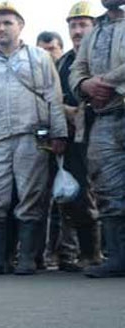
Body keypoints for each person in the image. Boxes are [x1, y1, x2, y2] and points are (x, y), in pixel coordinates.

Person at [0, 2, 68, 275]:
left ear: (20, 26)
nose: (1, 28)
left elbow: (54, 97)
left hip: (31, 137)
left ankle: (26, 258)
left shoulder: (39, 58)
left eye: (7, 23)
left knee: (31, 198)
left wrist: (59, 132)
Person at [70, 0, 125, 278]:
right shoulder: (96, 30)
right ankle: (118, 258)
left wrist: (104, 82)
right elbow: (76, 69)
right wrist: (84, 85)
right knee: (107, 189)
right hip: (105, 118)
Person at [49, 1, 102, 272]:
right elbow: (53, 98)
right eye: (73, 25)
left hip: (107, 131)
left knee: (110, 193)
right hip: (74, 138)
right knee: (79, 196)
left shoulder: (105, 56)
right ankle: (90, 254)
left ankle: (111, 252)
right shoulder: (64, 62)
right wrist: (65, 114)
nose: (78, 30)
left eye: (83, 24)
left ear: (95, 26)